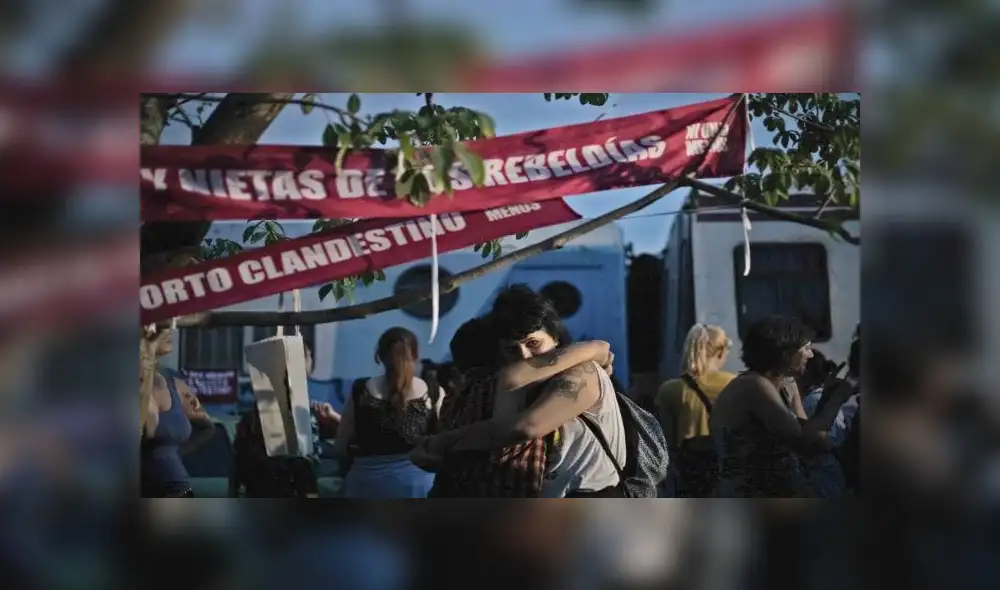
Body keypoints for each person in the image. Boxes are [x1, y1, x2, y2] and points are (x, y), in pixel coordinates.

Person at [417, 285, 625, 497]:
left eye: (533, 343)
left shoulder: (583, 371)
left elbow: (526, 427)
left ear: (556, 338)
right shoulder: (517, 386)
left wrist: (441, 443)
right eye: (511, 349)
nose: (524, 356)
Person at [710, 316, 855, 497]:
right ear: (786, 352)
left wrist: (827, 397)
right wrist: (837, 398)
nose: (811, 355)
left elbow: (814, 436)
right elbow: (805, 443)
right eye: (807, 348)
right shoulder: (754, 386)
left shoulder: (786, 385)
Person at [331, 327, 445, 498]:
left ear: (379, 356)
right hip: (419, 487)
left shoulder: (361, 390)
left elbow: (340, 447)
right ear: (415, 356)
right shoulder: (433, 392)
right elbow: (445, 443)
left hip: (365, 486)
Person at [654, 323, 735, 497]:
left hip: (688, 473)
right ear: (721, 352)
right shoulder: (734, 384)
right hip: (724, 470)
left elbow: (667, 440)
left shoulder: (670, 389)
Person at [141, 327, 205, 497]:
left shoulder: (177, 385)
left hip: (178, 490)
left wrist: (173, 454)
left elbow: (206, 427)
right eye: (159, 327)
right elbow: (149, 429)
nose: (169, 330)